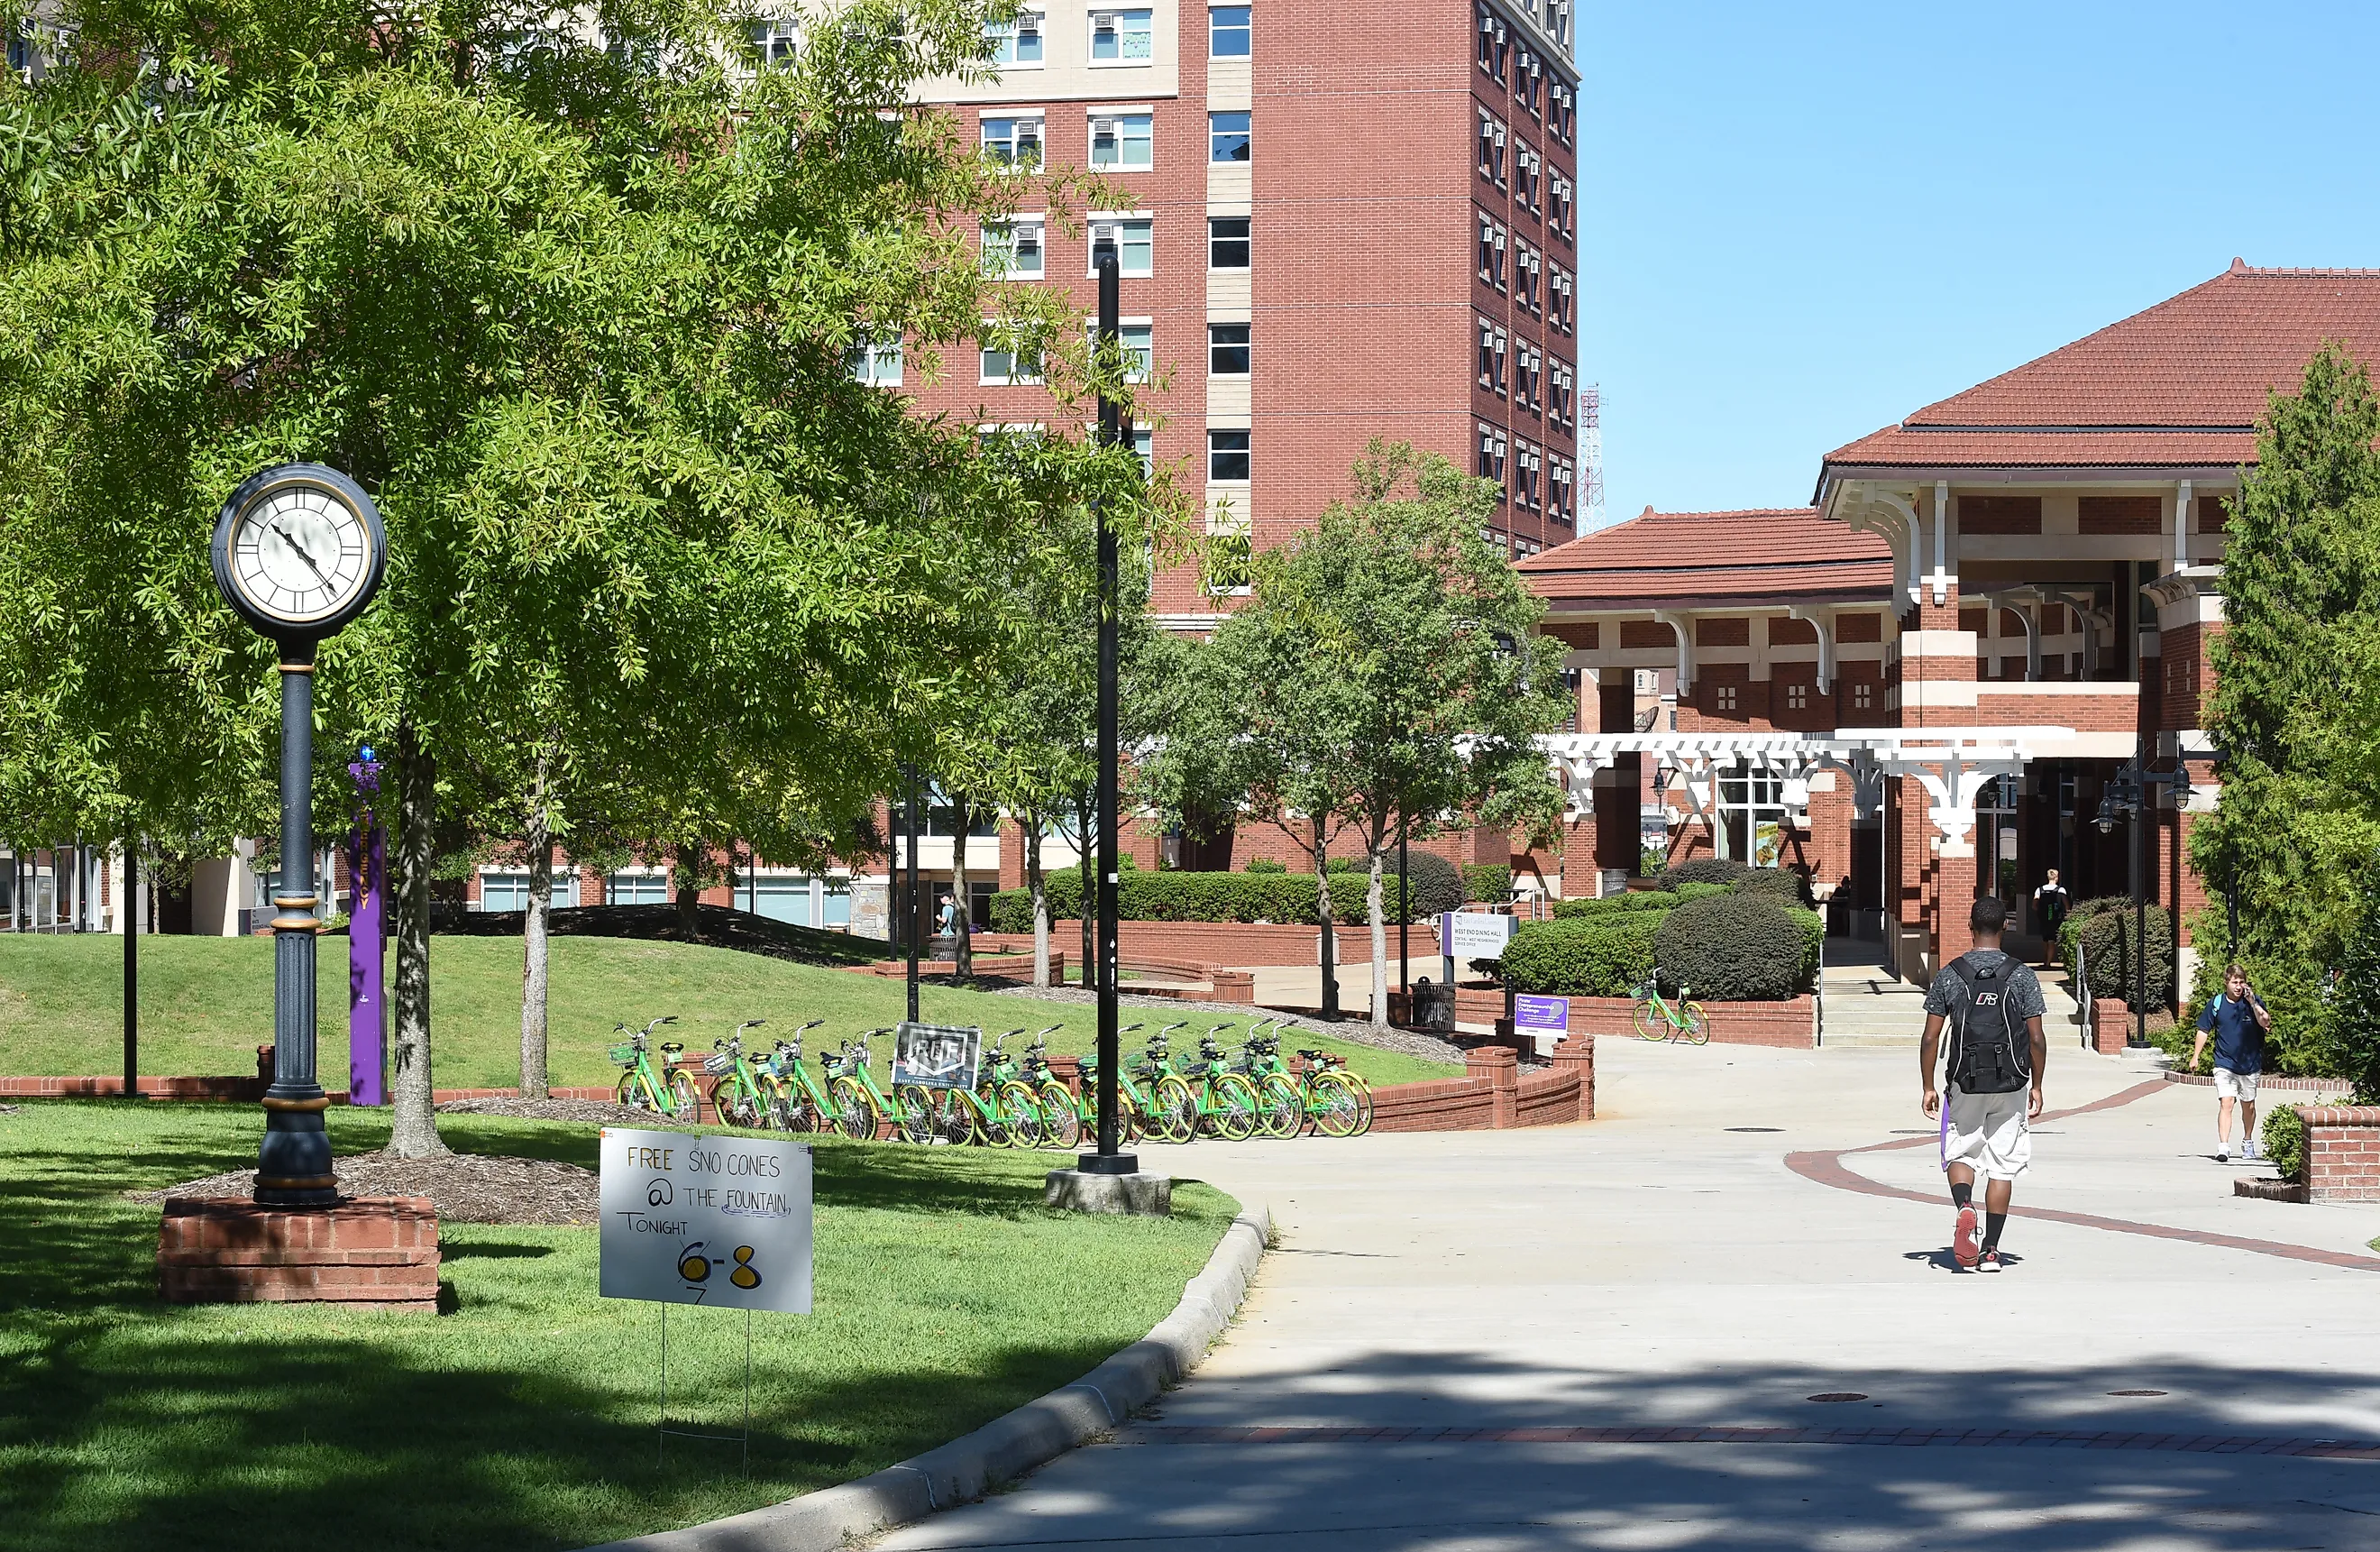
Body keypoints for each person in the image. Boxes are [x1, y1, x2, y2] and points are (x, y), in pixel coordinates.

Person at [1919, 895, 2049, 1272]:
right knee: (2003, 1166)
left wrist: (1928, 1084)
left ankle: (1964, 1206)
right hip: (2011, 1082)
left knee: (1961, 1153)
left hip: (1964, 1080)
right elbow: (2036, 1038)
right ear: (2005, 926)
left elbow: (1930, 1038)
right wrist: (2037, 1085)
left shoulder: (1951, 973)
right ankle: (1991, 1250)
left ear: (1969, 927)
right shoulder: (2022, 975)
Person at [2190, 963, 2273, 1163]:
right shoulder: (2217, 1003)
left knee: (2248, 1106)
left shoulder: (2252, 1002)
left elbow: (2266, 1022)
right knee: (2226, 1102)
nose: (2238, 986)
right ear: (2226, 983)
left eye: (2241, 982)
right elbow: (2203, 1030)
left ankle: (2247, 1141)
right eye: (2234, 982)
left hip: (2249, 1063)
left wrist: (2253, 1003)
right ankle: (2224, 1146)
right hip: (2224, 1062)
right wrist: (2196, 1055)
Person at [2032, 868, 2070, 967]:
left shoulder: (2039, 890)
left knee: (2045, 939)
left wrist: (2040, 911)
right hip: (2055, 918)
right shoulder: (2061, 890)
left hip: (2044, 918)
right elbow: (2066, 905)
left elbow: (2034, 905)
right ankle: (2048, 962)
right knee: (2052, 940)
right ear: (2057, 878)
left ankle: (2045, 959)